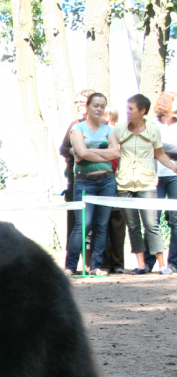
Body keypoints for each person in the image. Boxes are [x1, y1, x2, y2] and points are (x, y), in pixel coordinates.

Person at [114, 93, 177, 275]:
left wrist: (171, 163)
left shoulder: (153, 130)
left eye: (130, 108)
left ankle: (167, 263)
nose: (127, 112)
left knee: (161, 222)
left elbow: (159, 151)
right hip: (137, 180)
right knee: (139, 223)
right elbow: (113, 150)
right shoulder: (127, 129)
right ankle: (143, 264)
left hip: (159, 179)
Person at [64, 93, 120, 276]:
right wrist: (102, 153)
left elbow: (115, 153)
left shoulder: (109, 130)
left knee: (101, 225)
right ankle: (70, 266)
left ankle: (96, 266)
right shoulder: (77, 129)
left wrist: (89, 152)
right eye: (96, 105)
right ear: (87, 106)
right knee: (83, 224)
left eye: (102, 106)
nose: (99, 109)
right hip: (84, 181)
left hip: (107, 181)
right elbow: (80, 152)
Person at [60, 89, 94, 241]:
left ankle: (98, 261)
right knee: (75, 221)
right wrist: (76, 150)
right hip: (76, 179)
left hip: (97, 179)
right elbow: (63, 149)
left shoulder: (103, 127)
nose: (78, 105)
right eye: (77, 102)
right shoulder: (75, 125)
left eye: (82, 102)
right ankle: (72, 260)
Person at [99, 103, 126, 274]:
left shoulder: (118, 135)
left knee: (117, 223)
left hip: (118, 181)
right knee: (102, 222)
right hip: (101, 181)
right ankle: (104, 262)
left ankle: (117, 262)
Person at [153, 91, 177, 276]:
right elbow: (154, 146)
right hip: (155, 177)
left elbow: (160, 147)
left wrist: (163, 149)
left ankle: (174, 262)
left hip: (174, 176)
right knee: (151, 220)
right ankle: (147, 261)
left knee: (175, 220)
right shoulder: (152, 125)